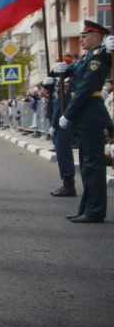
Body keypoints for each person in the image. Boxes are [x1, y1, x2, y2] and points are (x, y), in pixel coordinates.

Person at [53, 20, 113, 223]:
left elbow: (86, 88)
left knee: (93, 166)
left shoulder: (101, 55)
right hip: (84, 118)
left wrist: (68, 114)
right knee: (87, 167)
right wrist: (57, 71)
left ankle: (95, 210)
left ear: (97, 37)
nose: (81, 39)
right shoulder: (87, 57)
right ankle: (87, 208)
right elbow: (73, 72)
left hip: (90, 116)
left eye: (85, 36)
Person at [43, 54, 76, 197]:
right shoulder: (59, 82)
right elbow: (53, 100)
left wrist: (54, 124)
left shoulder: (67, 83)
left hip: (62, 123)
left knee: (64, 153)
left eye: (58, 65)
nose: (55, 68)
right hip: (59, 122)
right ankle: (67, 182)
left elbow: (59, 105)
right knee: (62, 153)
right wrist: (47, 82)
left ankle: (69, 184)